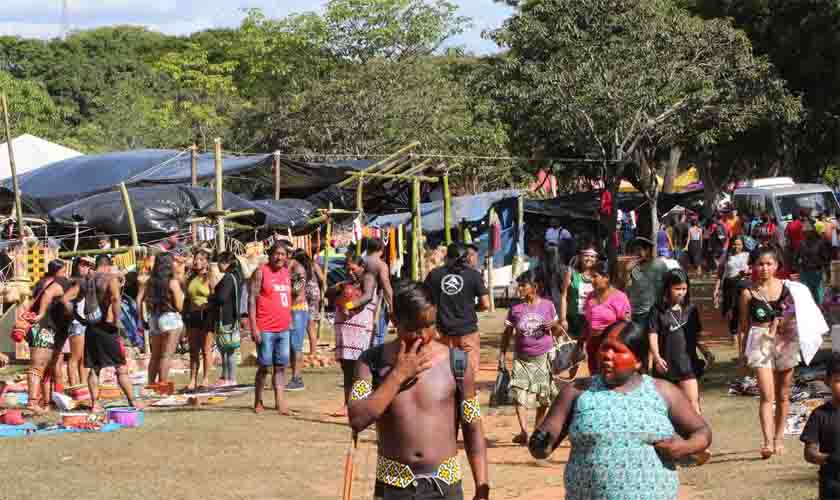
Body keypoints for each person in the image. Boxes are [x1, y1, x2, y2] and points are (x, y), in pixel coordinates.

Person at [529, 321, 712, 500]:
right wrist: (539, 443)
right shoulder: (577, 392)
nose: (607, 355)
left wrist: (685, 447)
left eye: (617, 350)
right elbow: (542, 448)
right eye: (604, 348)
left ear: (638, 361)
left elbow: (702, 432)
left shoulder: (663, 392)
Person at [347, 281, 489, 500]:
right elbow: (357, 418)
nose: (424, 335)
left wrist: (482, 486)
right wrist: (397, 376)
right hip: (393, 488)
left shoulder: (457, 363)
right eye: (413, 328)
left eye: (430, 324)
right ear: (394, 320)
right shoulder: (371, 362)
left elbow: (473, 428)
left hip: (445, 488)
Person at [738, 246, 797, 459]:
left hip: (786, 342)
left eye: (769, 264)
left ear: (777, 265)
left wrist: (785, 323)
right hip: (759, 342)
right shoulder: (747, 292)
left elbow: (796, 315)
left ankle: (779, 439)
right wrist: (742, 353)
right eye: (760, 264)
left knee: (783, 394)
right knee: (766, 395)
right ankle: (767, 442)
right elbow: (743, 326)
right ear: (753, 266)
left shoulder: (788, 289)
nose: (764, 268)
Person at [71, 254, 142, 412]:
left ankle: (95, 404)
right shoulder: (110, 278)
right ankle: (133, 401)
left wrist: (80, 319)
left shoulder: (86, 281)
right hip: (107, 328)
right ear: (109, 265)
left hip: (91, 327)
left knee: (95, 369)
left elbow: (70, 301)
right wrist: (116, 319)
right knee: (120, 367)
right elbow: (116, 299)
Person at [498, 270, 560, 445]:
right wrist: (502, 355)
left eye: (523, 285)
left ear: (534, 287)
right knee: (518, 393)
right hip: (521, 358)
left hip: (543, 357)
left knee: (544, 397)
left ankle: (536, 430)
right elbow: (507, 334)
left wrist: (552, 326)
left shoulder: (548, 306)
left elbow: (556, 330)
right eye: (519, 285)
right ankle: (524, 431)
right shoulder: (515, 309)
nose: (520, 289)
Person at [425, 243, 491, 377]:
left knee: (446, 374)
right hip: (467, 333)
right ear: (466, 257)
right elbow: (486, 304)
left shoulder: (435, 275)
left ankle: (450, 397)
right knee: (469, 374)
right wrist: (472, 308)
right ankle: (468, 397)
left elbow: (425, 301)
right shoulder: (474, 275)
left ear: (446, 256)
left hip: (443, 333)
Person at [649, 270, 706, 415]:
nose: (681, 293)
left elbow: (696, 335)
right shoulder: (657, 310)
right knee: (666, 408)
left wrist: (705, 351)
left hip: (687, 364)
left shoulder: (691, 309)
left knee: (693, 403)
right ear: (668, 288)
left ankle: (700, 433)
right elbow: (653, 334)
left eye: (684, 289)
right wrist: (656, 357)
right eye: (677, 289)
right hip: (666, 364)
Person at [249, 242, 295, 415]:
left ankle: (280, 402)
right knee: (264, 366)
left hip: (283, 328)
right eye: (277, 254)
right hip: (265, 328)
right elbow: (252, 300)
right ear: (270, 254)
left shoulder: (286, 273)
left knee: (281, 366)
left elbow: (288, 297)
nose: (280, 257)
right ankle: (258, 400)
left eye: (283, 254)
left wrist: (290, 319)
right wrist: (254, 327)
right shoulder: (261, 272)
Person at [331, 255, 378, 416]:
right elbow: (329, 293)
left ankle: (361, 404)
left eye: (353, 268)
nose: (350, 272)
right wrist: (338, 290)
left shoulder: (368, 277)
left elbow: (367, 296)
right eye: (348, 269)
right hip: (345, 329)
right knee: (347, 368)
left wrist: (349, 305)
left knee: (361, 368)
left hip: (360, 330)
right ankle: (347, 405)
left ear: (362, 267)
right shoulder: (346, 283)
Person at [24, 259, 73, 414]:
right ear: (61, 271)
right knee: (38, 365)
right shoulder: (61, 282)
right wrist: (41, 314)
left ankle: (45, 402)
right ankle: (33, 402)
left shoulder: (42, 281)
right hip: (43, 327)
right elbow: (47, 294)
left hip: (42, 327)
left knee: (44, 366)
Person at [138, 252, 185, 386]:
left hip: (153, 317)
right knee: (166, 355)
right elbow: (179, 306)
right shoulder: (172, 282)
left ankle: (151, 384)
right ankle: (162, 385)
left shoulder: (149, 282)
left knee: (155, 356)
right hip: (169, 318)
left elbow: (140, 300)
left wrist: (142, 319)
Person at [580, 260, 631, 376]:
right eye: (591, 277)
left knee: (609, 377)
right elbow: (587, 322)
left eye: (595, 277)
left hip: (610, 348)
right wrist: (580, 343)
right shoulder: (590, 297)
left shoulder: (620, 298)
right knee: (594, 377)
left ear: (606, 277)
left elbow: (626, 325)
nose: (591, 281)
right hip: (592, 346)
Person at [801, 353, 840, 500]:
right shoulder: (819, 415)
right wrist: (830, 459)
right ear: (827, 382)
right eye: (838, 380)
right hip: (832, 484)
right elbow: (810, 453)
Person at [209, 252, 243, 387]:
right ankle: (225, 376)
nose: (217, 266)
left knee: (228, 350)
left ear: (225, 263)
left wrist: (211, 296)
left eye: (219, 263)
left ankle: (230, 378)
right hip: (232, 317)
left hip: (226, 318)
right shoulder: (237, 276)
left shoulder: (228, 278)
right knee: (226, 349)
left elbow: (222, 298)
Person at [287, 248, 318, 391]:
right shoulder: (291, 268)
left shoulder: (298, 270)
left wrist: (280, 288)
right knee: (291, 346)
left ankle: (297, 378)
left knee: (295, 346)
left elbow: (297, 290)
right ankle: (294, 377)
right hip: (291, 309)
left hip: (298, 309)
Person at [183, 248, 214, 392]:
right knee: (193, 350)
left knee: (206, 350)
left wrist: (206, 306)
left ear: (207, 262)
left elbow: (215, 297)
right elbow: (187, 298)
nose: (197, 262)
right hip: (192, 316)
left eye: (202, 259)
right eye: (196, 259)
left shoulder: (210, 277)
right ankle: (192, 380)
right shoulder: (190, 277)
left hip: (206, 316)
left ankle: (206, 379)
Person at [714, 236, 750, 348]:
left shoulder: (747, 256)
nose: (737, 247)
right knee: (731, 310)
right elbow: (720, 274)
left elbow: (754, 269)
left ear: (743, 245)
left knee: (742, 310)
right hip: (729, 285)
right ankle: (734, 335)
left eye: (739, 244)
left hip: (743, 285)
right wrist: (716, 289)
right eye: (735, 244)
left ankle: (743, 336)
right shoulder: (727, 256)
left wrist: (749, 271)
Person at [626, 237, 669, 328]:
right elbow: (627, 288)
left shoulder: (660, 265)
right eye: (635, 250)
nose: (637, 253)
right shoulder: (633, 266)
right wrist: (627, 272)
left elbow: (667, 286)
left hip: (652, 312)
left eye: (639, 250)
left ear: (648, 250)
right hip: (635, 312)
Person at [66, 256, 95, 387]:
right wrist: (74, 316)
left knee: (84, 357)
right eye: (81, 264)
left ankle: (83, 385)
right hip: (77, 323)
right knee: (75, 357)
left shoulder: (86, 280)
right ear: (76, 266)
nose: (84, 267)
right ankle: (74, 385)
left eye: (87, 265)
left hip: (84, 322)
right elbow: (65, 300)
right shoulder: (74, 282)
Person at [364, 238, 394, 347]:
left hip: (359, 300)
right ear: (381, 249)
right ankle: (375, 358)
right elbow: (386, 285)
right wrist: (391, 304)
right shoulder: (380, 265)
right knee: (378, 334)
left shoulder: (361, 261)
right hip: (375, 301)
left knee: (364, 331)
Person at [798, 223, 831, 304]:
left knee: (819, 295)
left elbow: (826, 259)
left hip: (817, 272)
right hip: (805, 273)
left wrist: (828, 273)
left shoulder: (819, 243)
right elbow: (797, 258)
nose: (805, 234)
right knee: (809, 295)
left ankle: (822, 311)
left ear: (812, 232)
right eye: (804, 232)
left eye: (806, 232)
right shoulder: (802, 243)